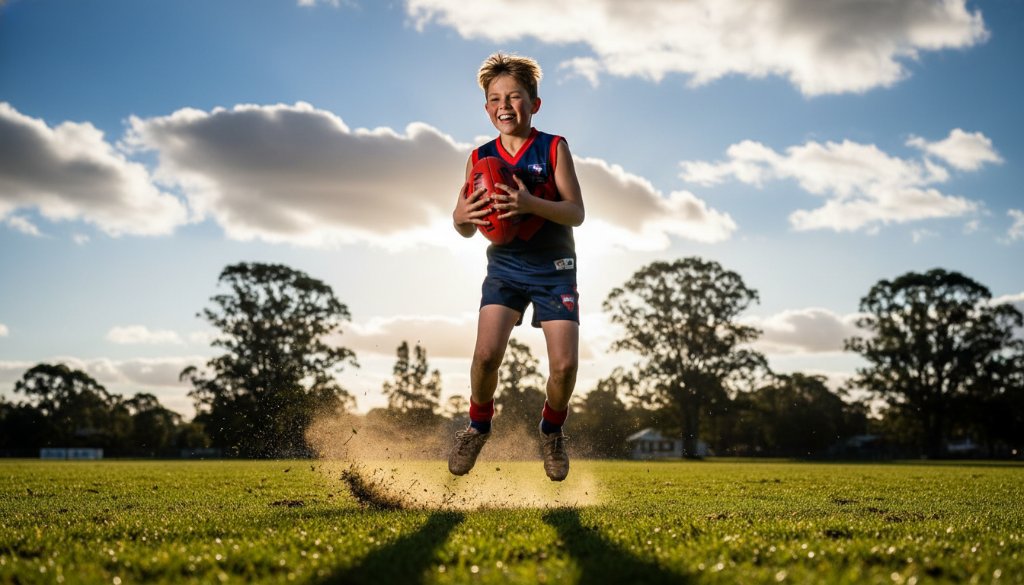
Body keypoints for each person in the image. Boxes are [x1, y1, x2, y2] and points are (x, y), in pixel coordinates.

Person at [448, 53, 585, 482]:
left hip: (554, 267)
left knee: (563, 367)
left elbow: (576, 212)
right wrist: (464, 215)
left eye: (515, 97)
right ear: (487, 108)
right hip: (505, 267)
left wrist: (527, 203)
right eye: (495, 99)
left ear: (534, 103)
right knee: (486, 356)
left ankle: (552, 430)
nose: (505, 105)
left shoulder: (553, 146)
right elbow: (462, 225)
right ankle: (477, 425)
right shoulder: (479, 158)